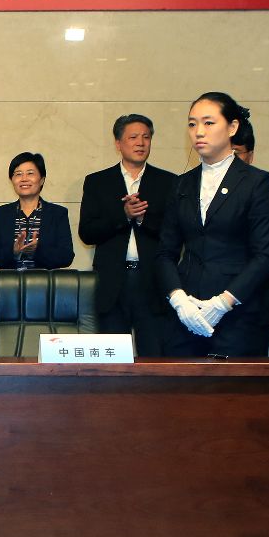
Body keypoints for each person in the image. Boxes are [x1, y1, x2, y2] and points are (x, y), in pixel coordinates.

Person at [156, 92, 269, 357]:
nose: (199, 132)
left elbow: (264, 256)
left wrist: (223, 303)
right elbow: (165, 252)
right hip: (187, 312)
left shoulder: (256, 182)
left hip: (239, 315)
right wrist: (178, 299)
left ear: (232, 127)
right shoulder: (181, 184)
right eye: (192, 124)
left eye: (208, 123)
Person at [78, 114, 178, 356]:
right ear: (118, 143)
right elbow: (87, 233)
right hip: (112, 283)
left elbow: (175, 233)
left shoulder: (169, 182)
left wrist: (142, 219)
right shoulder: (97, 182)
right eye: (133, 137)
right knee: (113, 360)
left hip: (153, 282)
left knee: (153, 357)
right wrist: (123, 216)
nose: (140, 143)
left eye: (146, 137)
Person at [229, 117, 269, 349]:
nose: (231, 159)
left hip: (256, 298)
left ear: (250, 155)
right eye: (227, 152)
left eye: (237, 153)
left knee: (254, 366)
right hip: (210, 297)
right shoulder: (199, 192)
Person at [0, 152, 74, 271]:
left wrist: (38, 250)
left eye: (30, 173)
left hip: (45, 281)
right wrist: (13, 251)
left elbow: (66, 256)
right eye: (18, 174)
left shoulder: (57, 214)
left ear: (42, 180)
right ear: (12, 180)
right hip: (10, 281)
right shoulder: (1, 214)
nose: (24, 179)